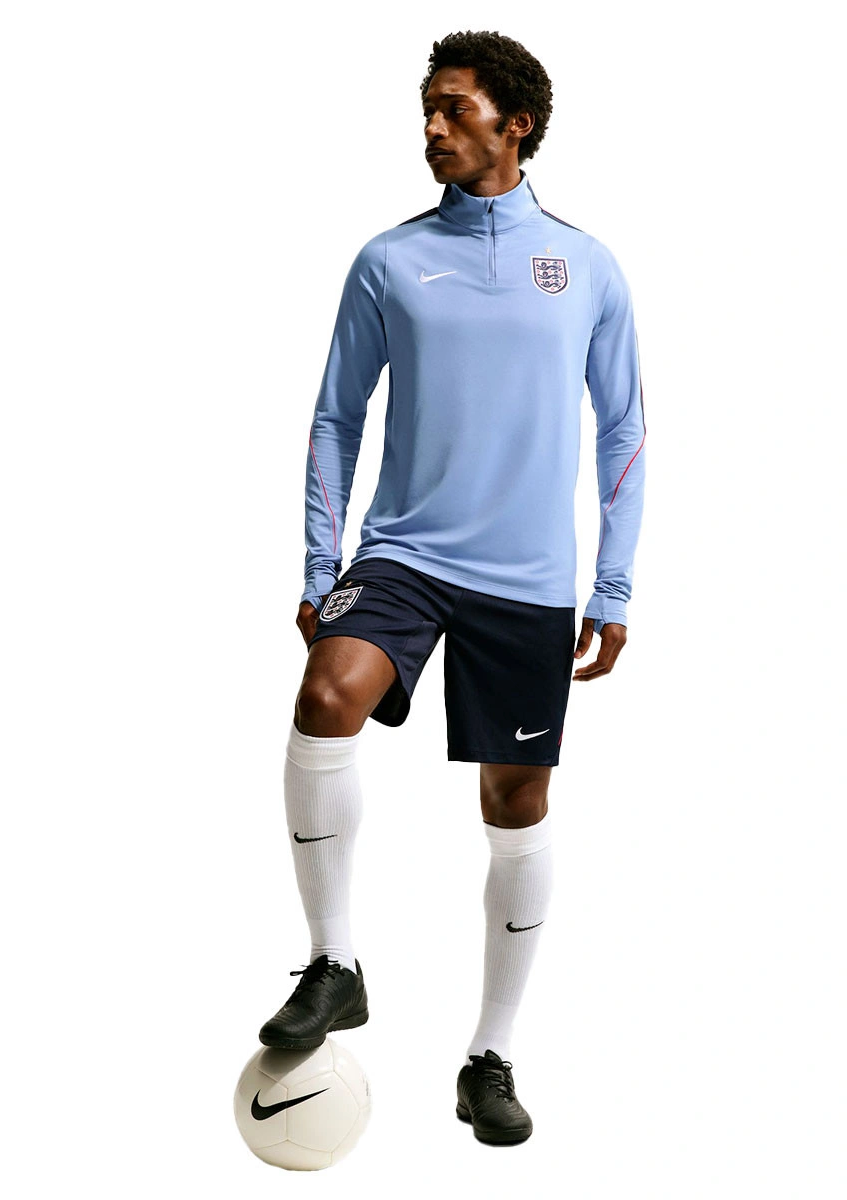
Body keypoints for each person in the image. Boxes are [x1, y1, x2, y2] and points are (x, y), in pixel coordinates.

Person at [258, 30, 645, 1147]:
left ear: (514, 124)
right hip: (406, 556)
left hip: (528, 582)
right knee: (325, 695)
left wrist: (613, 587)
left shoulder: (586, 267)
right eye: (426, 108)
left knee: (514, 806)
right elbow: (337, 417)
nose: (431, 126)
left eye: (454, 109)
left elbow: (624, 430)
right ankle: (334, 963)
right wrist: (320, 565)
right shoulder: (389, 261)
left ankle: (490, 1057)